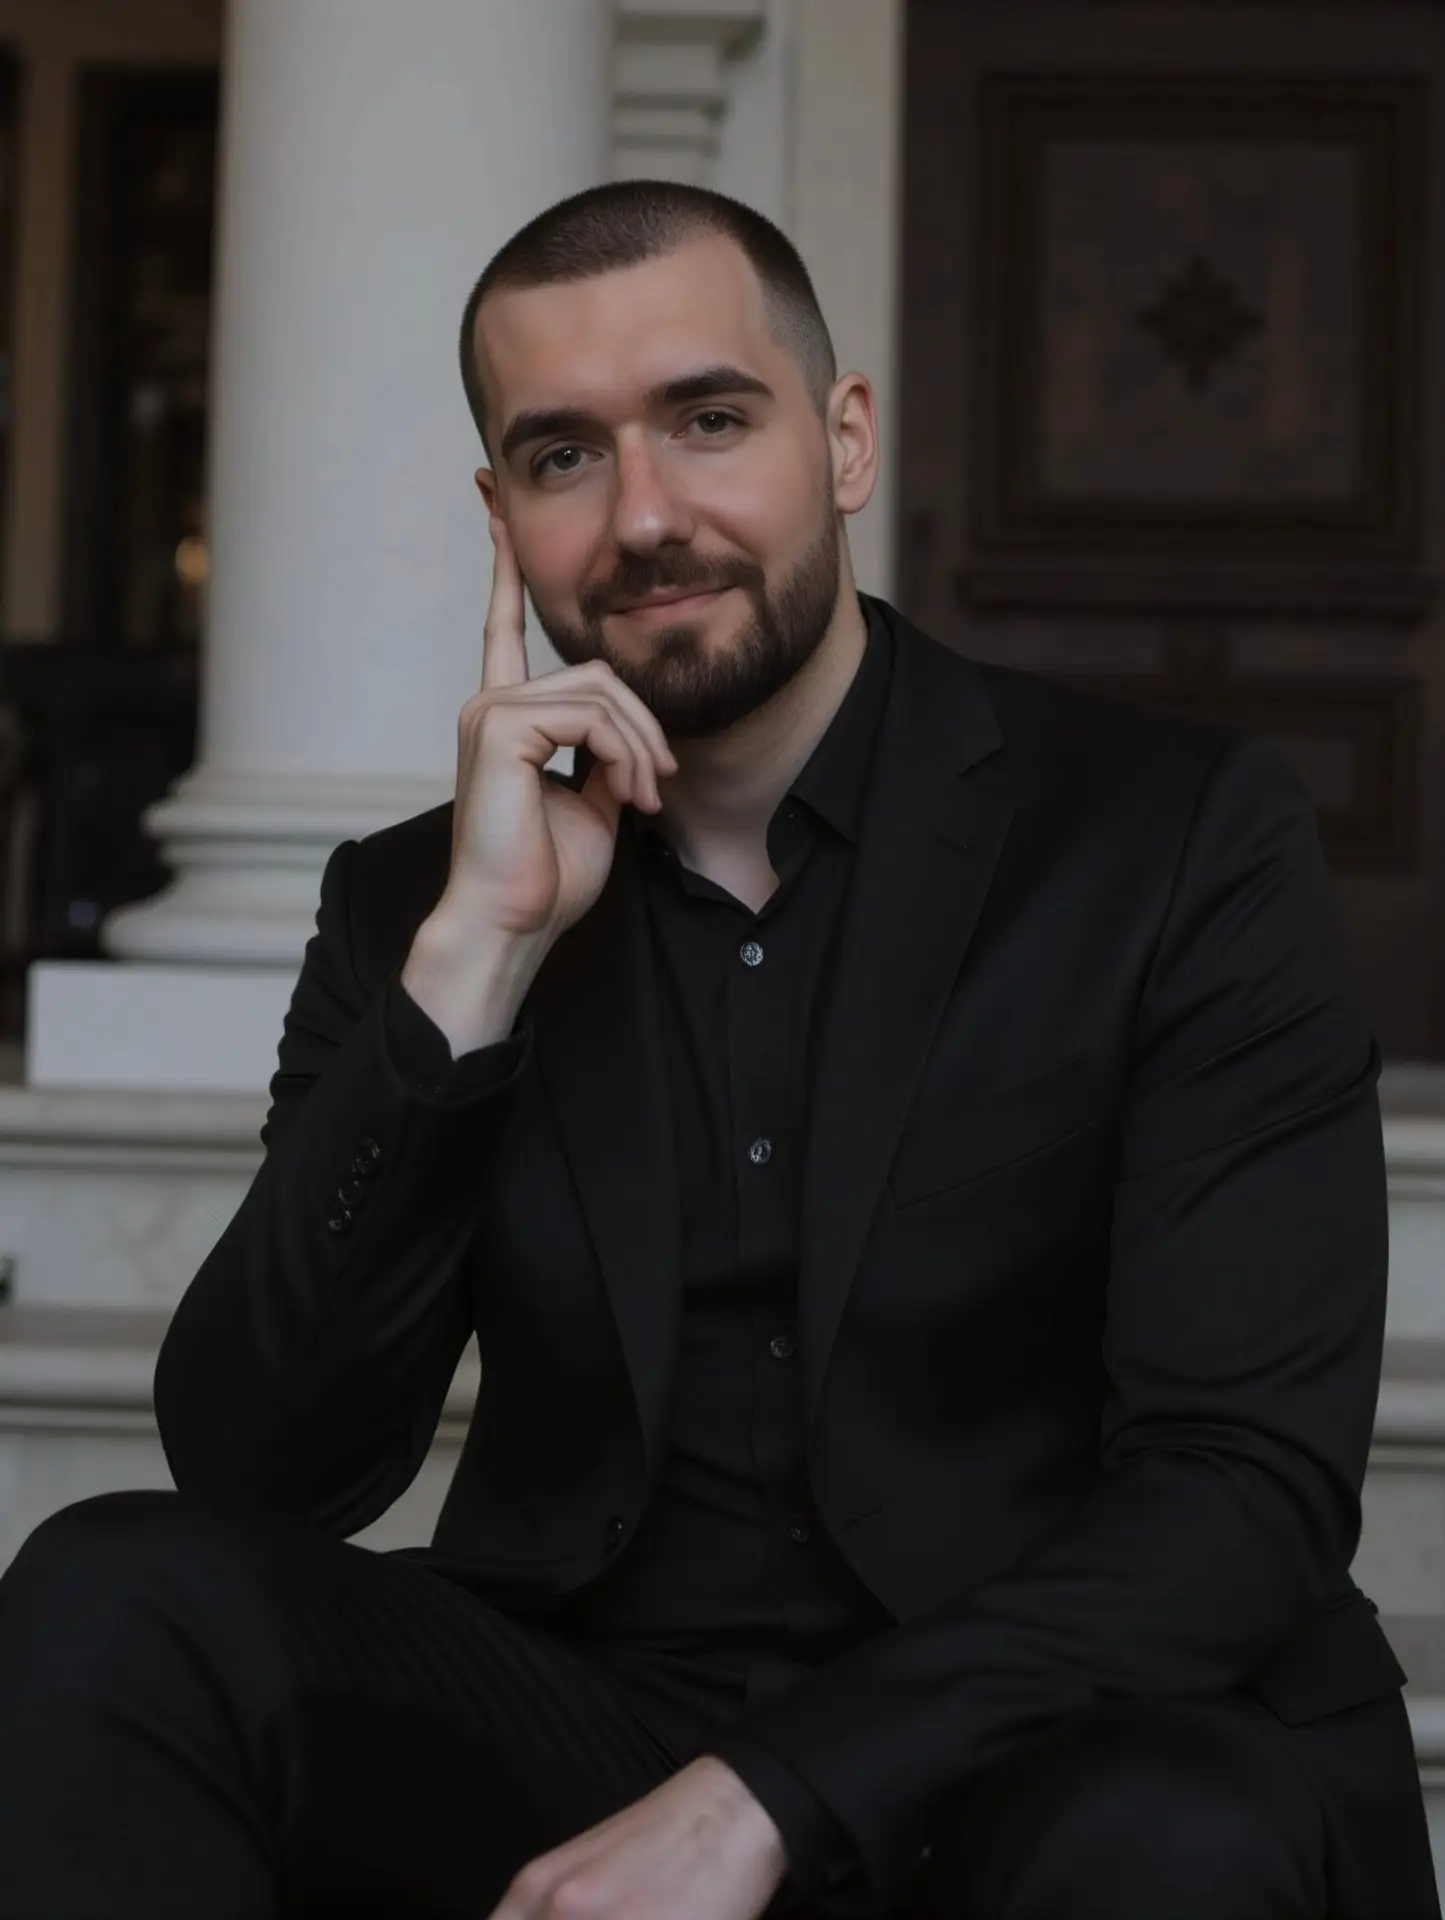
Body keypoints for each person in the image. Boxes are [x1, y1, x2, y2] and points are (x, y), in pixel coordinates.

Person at [0, 177, 1436, 1920]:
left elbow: (1243, 1496)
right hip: (591, 1706)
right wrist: (475, 968)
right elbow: (260, 1467)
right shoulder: (420, 903)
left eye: (708, 419)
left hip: (1054, 1730)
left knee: (1170, 1837)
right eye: (562, 456)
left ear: (843, 441)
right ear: (499, 515)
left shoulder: (1173, 836)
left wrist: (772, 1796)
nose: (647, 515)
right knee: (113, 1593)